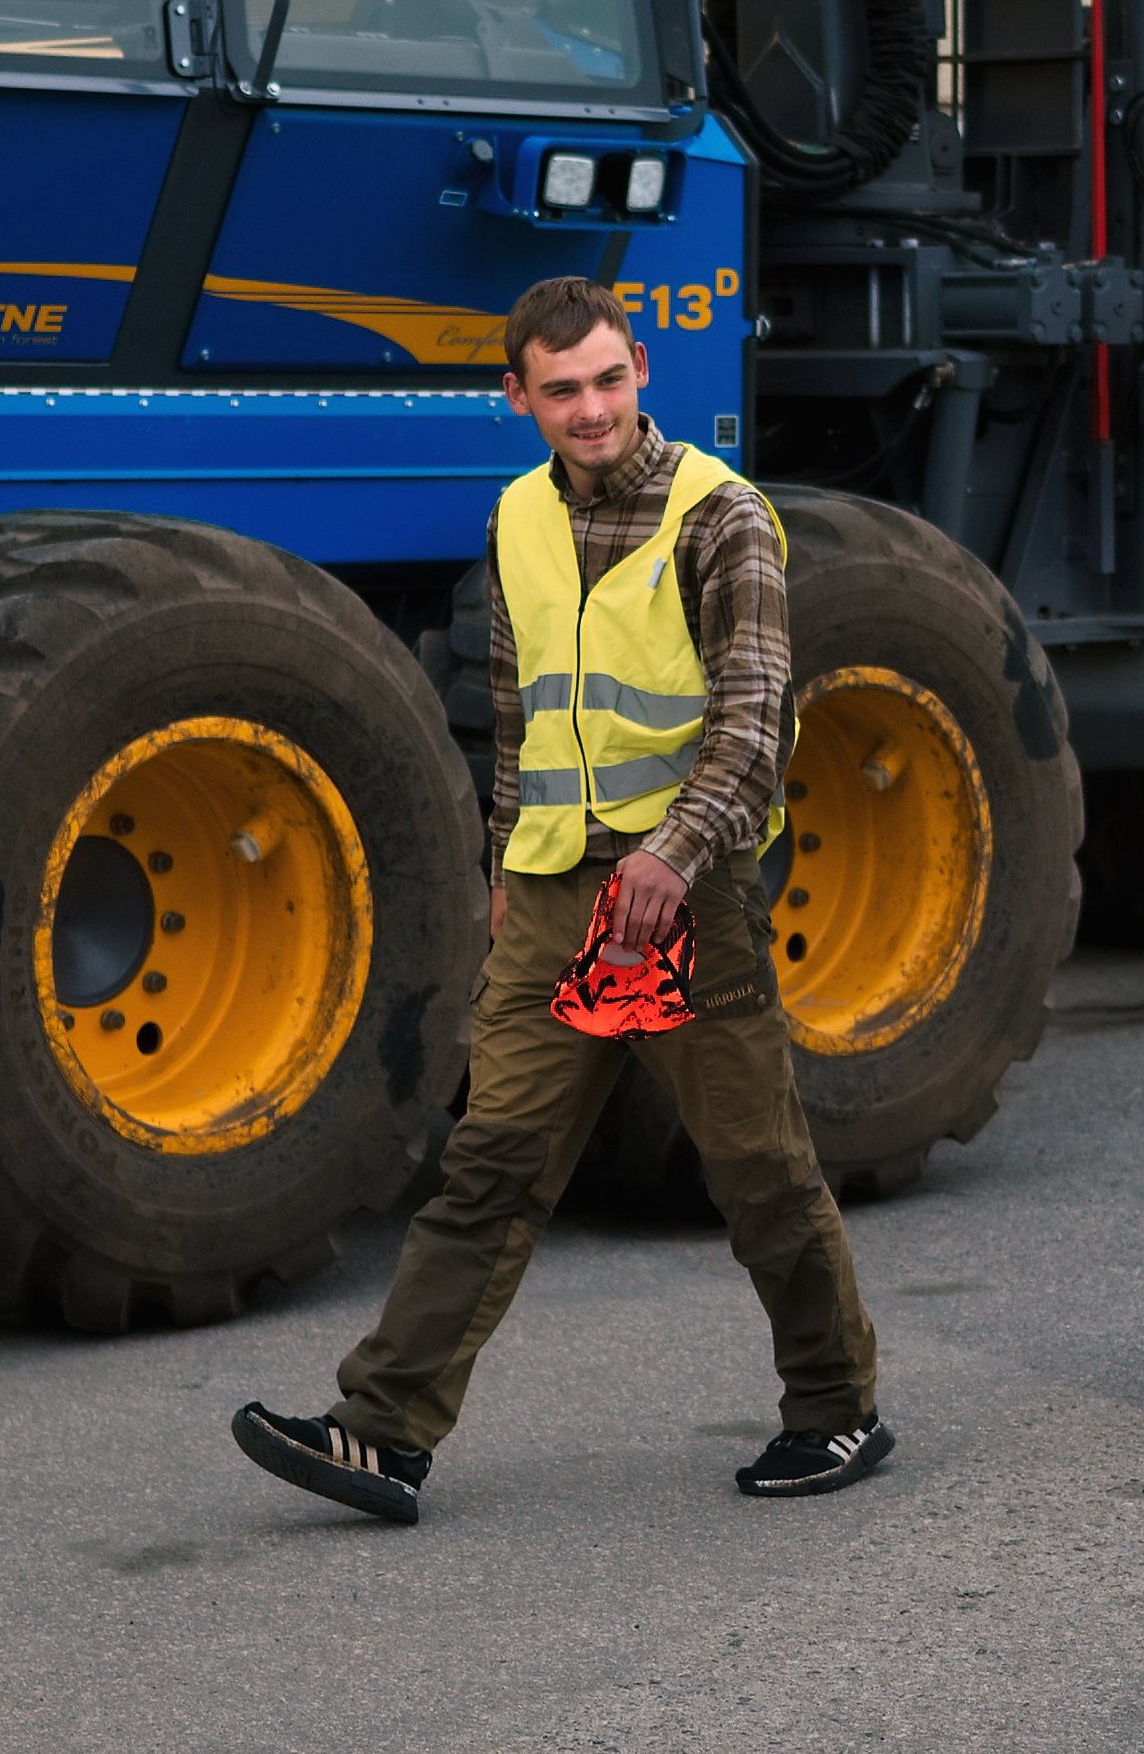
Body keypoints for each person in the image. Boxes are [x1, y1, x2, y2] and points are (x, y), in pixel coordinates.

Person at [234, 278, 885, 1524]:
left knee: (755, 1165)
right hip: (551, 891)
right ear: (518, 397)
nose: (593, 409)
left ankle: (836, 1406)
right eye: (563, 389)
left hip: (686, 892)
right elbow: (520, 711)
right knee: (491, 1160)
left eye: (609, 379)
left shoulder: (721, 516)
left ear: (641, 368)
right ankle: (381, 1432)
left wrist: (671, 856)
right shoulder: (518, 516)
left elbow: (756, 722)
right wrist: (506, 868)